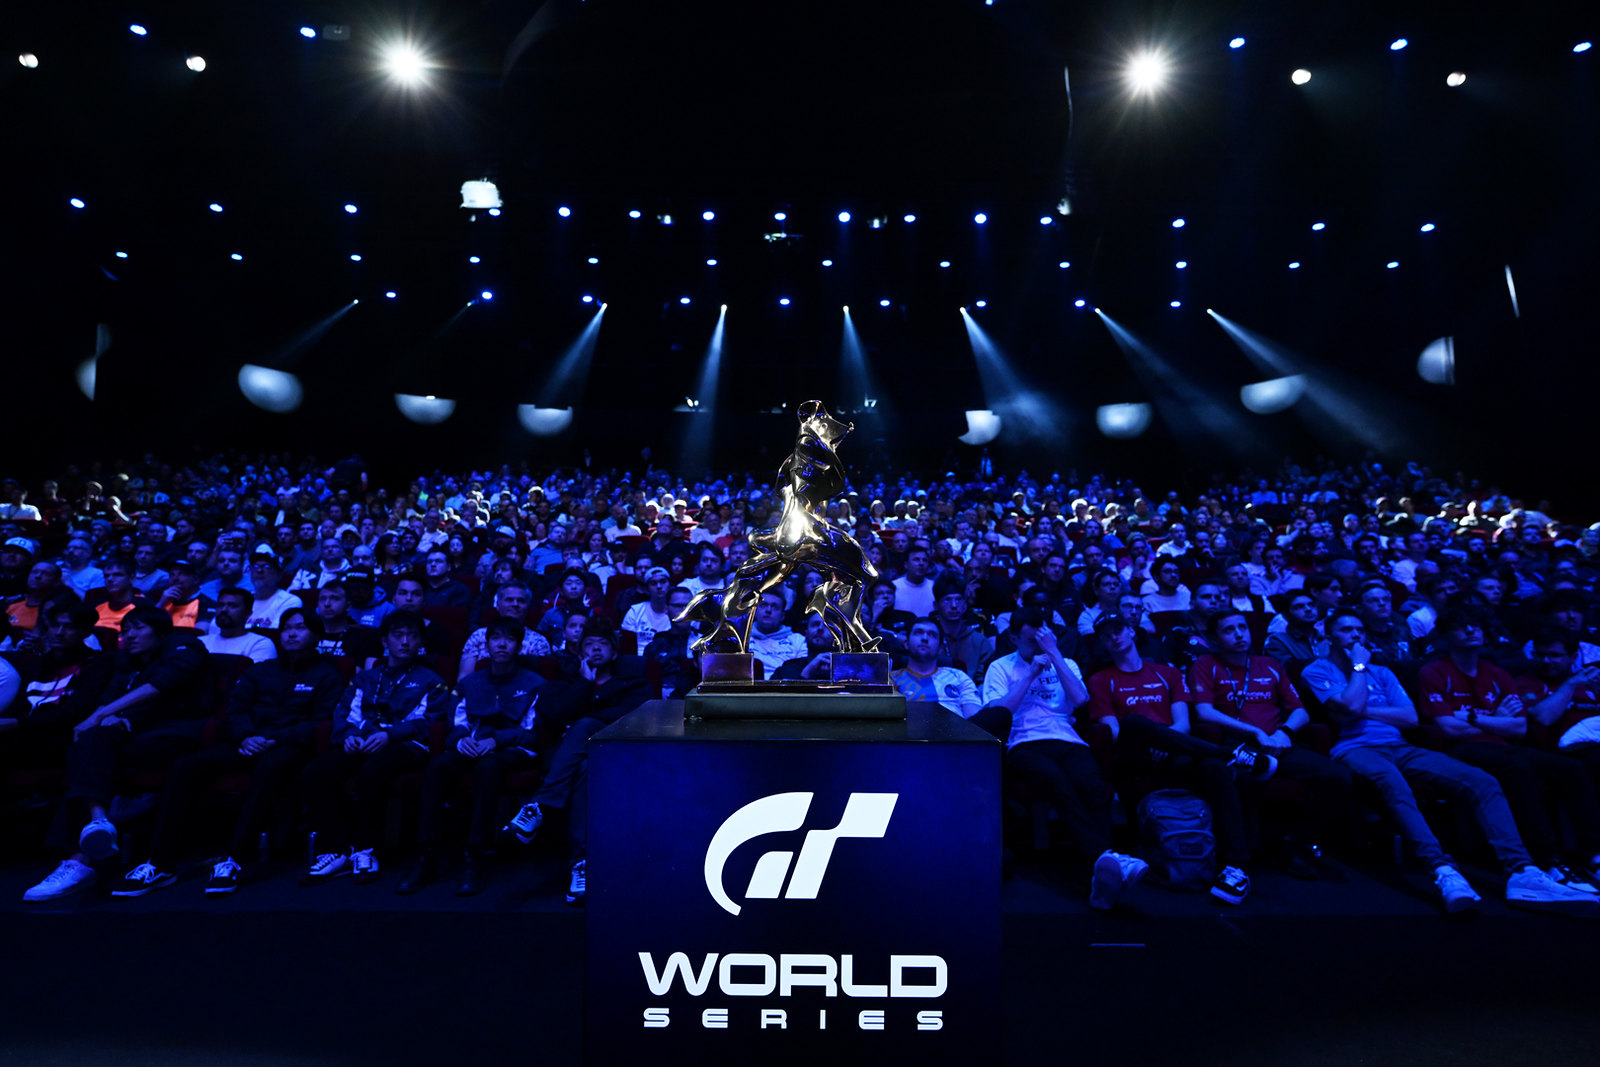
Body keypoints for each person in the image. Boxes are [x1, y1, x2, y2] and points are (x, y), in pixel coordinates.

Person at [1300, 608, 1593, 914]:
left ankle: (1522, 871)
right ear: (1328, 636)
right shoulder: (1317, 670)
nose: (1356, 636)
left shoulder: (1383, 672)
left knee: (1482, 781)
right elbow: (1349, 705)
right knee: (1394, 783)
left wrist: (1357, 709)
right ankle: (1443, 870)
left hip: (1400, 746)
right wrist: (1359, 667)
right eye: (1347, 630)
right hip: (1355, 747)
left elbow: (1409, 718)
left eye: (1360, 630)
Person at [110, 607, 343, 897]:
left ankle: (235, 858)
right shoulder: (259, 670)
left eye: (300, 628)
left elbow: (321, 722)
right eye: (286, 628)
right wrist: (245, 736)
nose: (291, 634)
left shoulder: (328, 675)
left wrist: (271, 739)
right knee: (186, 767)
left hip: (289, 747)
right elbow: (235, 710)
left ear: (317, 635)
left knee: (270, 767)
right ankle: (160, 862)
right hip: (246, 740)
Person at [23, 607, 211, 902]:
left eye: (138, 628)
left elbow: (164, 685)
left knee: (91, 752)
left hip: (180, 733)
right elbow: (110, 695)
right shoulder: (126, 659)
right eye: (125, 630)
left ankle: (85, 851)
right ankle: (96, 827)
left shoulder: (185, 646)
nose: (129, 636)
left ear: (161, 632)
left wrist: (105, 716)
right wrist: (107, 717)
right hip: (133, 734)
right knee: (90, 744)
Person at [1087, 616, 1268, 905]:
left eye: (1118, 630)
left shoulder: (1167, 673)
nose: (1114, 638)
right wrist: (1157, 740)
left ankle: (1237, 867)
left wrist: (1166, 742)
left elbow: (1183, 722)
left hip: (1176, 751)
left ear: (1131, 631)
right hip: (1134, 755)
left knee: (1214, 769)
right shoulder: (1100, 680)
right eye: (1106, 636)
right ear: (1102, 643)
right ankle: (1230, 754)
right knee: (1133, 723)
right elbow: (1115, 732)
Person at [1416, 608, 1600, 890]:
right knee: (1517, 768)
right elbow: (1449, 729)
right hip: (1459, 748)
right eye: (1461, 626)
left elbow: (1519, 728)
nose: (1470, 631)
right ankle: (1548, 860)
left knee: (1569, 768)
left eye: (1475, 625)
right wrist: (1497, 719)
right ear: (1446, 635)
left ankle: (1593, 855)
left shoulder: (1498, 674)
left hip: (1503, 744)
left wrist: (1474, 718)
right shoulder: (1433, 672)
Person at [979, 608, 1145, 910]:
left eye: (1043, 639)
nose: (1038, 646)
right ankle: (1106, 860)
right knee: (1056, 781)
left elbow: (1080, 700)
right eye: (1031, 641)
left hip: (1067, 739)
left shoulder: (1065, 662)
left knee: (1096, 788)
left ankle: (1102, 871)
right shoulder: (1000, 667)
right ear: (1014, 638)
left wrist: (1054, 653)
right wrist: (1030, 672)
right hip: (1023, 742)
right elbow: (1000, 713)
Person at [1190, 610, 1354, 874]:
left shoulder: (1269, 664)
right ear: (1214, 638)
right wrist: (1254, 732)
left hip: (1279, 743)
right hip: (1237, 745)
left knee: (1339, 776)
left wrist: (1285, 732)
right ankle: (1243, 856)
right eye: (1229, 630)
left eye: (1242, 627)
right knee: (1243, 779)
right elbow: (1204, 712)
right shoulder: (1205, 664)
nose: (1239, 634)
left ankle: (1292, 842)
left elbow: (1300, 711)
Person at [399, 617, 551, 897]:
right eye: (496, 638)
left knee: (488, 767)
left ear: (519, 647)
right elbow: (455, 723)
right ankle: (426, 855)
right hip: (475, 744)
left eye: (509, 639)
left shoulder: (536, 684)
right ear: (487, 645)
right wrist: (462, 740)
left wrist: (497, 740)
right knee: (439, 766)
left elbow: (533, 733)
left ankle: (474, 855)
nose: (502, 644)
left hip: (514, 749)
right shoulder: (470, 683)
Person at [298, 611, 451, 887]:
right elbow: (345, 713)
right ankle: (335, 849)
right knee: (315, 773)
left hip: (407, 745)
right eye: (398, 635)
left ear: (421, 642)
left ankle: (365, 849)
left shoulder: (432, 681)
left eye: (412, 636)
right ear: (384, 641)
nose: (405, 642)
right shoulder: (365, 678)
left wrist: (390, 735)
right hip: (364, 740)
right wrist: (349, 736)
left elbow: (429, 722)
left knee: (372, 771)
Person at [502, 623, 648, 906]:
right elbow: (555, 715)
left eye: (602, 644)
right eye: (589, 644)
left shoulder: (633, 684)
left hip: (616, 754)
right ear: (580, 653)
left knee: (584, 725)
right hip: (570, 762)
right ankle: (580, 865)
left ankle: (538, 806)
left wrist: (586, 722)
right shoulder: (564, 684)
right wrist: (584, 684)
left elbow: (633, 716)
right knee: (584, 770)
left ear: (614, 653)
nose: (595, 648)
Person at [457, 580, 552, 678]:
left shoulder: (538, 641)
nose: (515, 604)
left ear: (528, 606)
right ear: (498, 605)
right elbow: (465, 678)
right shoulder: (478, 636)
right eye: (509, 600)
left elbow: (539, 682)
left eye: (521, 601)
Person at [893, 617, 981, 716]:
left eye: (932, 635)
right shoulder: (891, 679)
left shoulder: (959, 676)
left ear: (940, 648)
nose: (925, 638)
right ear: (906, 644)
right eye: (918, 632)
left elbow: (974, 719)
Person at [199, 588, 278, 663]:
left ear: (248, 613)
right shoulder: (201, 642)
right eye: (220, 605)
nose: (224, 610)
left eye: (232, 606)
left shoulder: (259, 644)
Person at [747, 590, 808, 675]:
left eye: (775, 607)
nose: (768, 610)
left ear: (783, 616)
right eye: (764, 605)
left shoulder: (798, 640)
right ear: (754, 612)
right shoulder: (742, 638)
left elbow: (803, 670)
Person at [85, 557, 154, 632]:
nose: (110, 579)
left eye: (117, 575)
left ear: (131, 578)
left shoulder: (144, 606)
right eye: (106, 576)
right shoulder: (97, 606)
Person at [244, 547, 300, 630]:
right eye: (255, 566)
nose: (259, 570)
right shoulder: (243, 599)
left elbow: (275, 633)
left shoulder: (289, 601)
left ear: (279, 575)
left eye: (267, 566)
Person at [773, 613, 841, 681]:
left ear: (837, 636)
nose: (820, 628)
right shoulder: (786, 670)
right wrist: (807, 672)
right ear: (806, 631)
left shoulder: (844, 670)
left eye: (827, 626)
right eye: (815, 624)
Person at [1263, 590, 1324, 664]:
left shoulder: (1327, 638)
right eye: (1299, 607)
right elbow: (1288, 668)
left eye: (1311, 605)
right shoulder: (1277, 641)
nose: (1308, 609)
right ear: (1286, 615)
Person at [620, 566, 676, 644]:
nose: (659, 586)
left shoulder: (678, 611)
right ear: (646, 589)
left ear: (670, 586)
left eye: (663, 582)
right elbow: (627, 643)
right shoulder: (635, 612)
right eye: (653, 583)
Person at [891, 546, 937, 619]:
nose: (921, 563)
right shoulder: (893, 587)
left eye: (925, 560)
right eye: (916, 560)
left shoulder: (935, 587)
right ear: (906, 565)